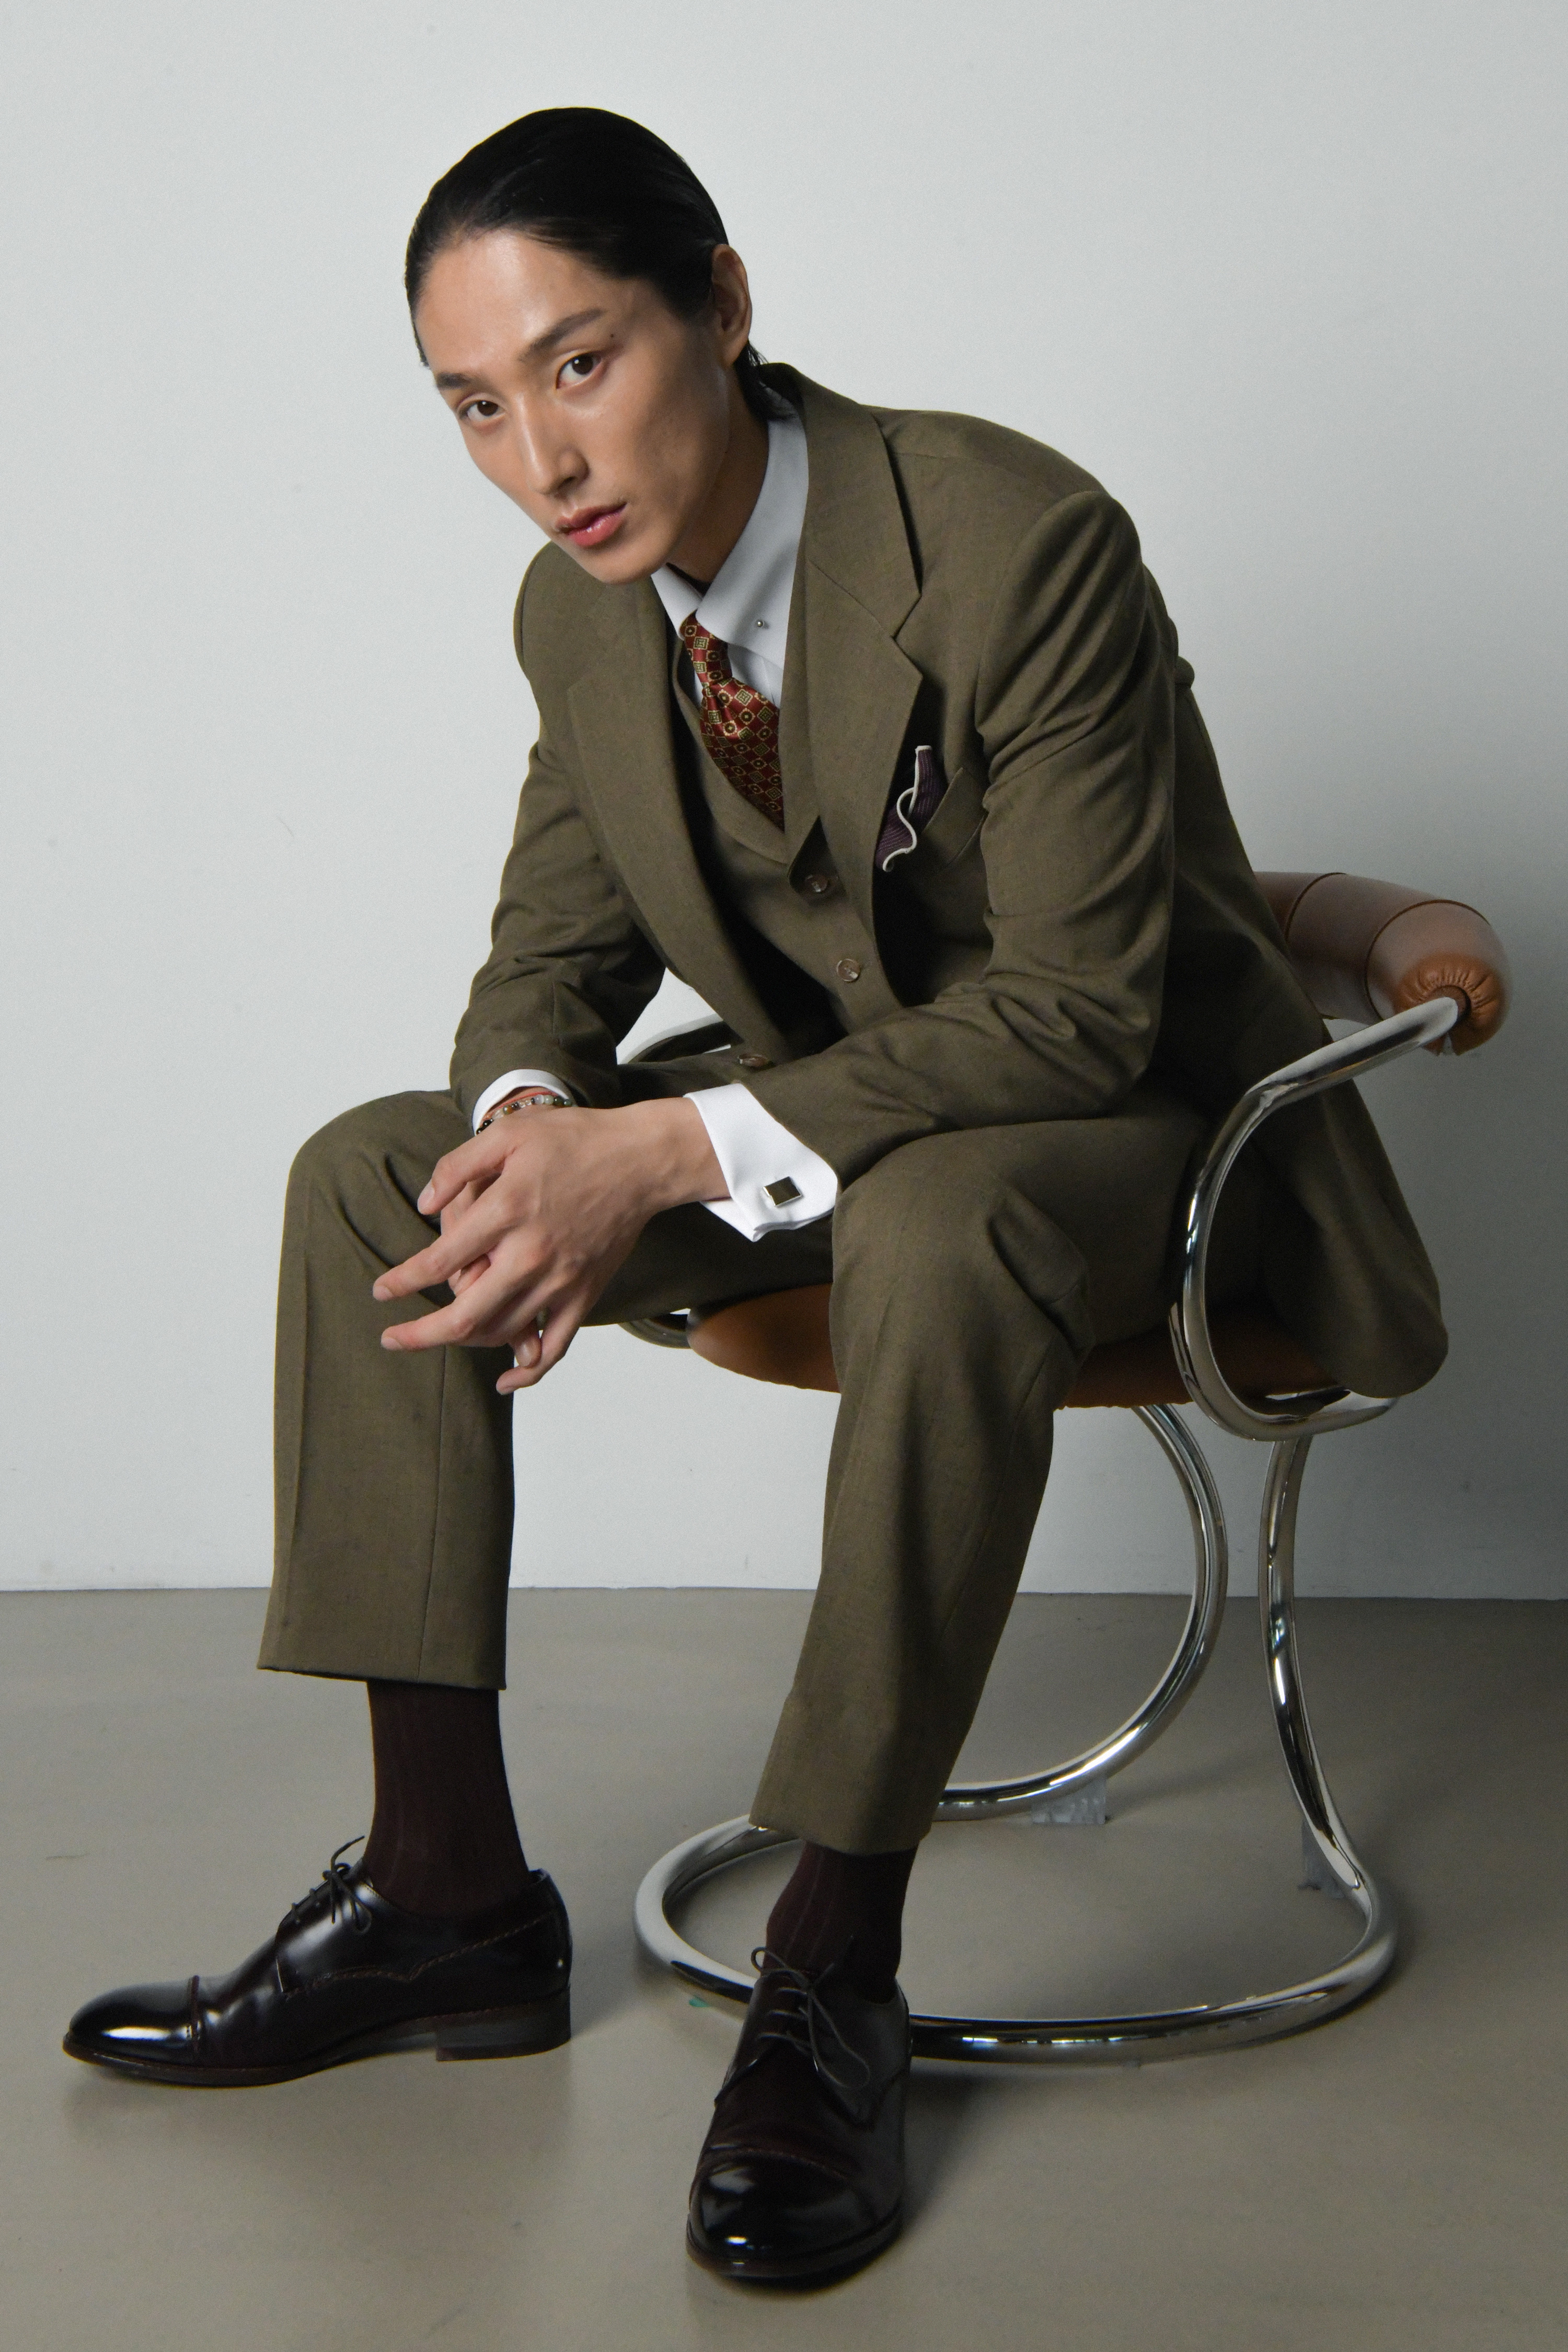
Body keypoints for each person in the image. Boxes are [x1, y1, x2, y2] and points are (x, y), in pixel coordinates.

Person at [63, 107, 1445, 2287]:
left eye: (580, 362)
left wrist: (662, 1151)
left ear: (717, 301)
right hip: (852, 1125)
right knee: (379, 1180)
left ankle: (834, 1969)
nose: (542, 457)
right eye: (475, 407)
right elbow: (548, 964)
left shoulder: (1017, 539)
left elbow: (1079, 1012)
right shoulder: (581, 612)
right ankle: (443, 1896)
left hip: (1150, 1136)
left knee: (943, 1221)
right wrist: (541, 1127)